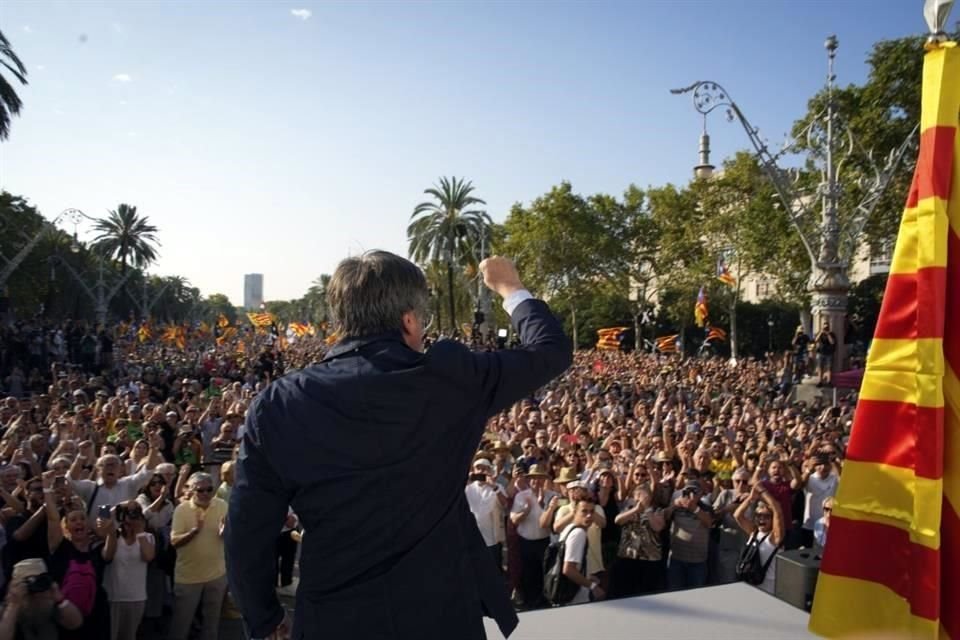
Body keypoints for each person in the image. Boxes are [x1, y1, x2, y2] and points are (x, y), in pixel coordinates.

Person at [225, 253, 572, 640]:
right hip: (442, 617)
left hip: (334, 620)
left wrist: (265, 619)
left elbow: (246, 532)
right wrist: (510, 286)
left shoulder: (279, 404)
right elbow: (550, 350)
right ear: (408, 319)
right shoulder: (452, 380)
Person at [168, 472, 228, 640]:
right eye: (200, 490)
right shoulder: (181, 510)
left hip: (217, 575)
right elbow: (174, 542)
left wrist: (226, 533)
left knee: (212, 624)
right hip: (188, 577)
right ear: (191, 490)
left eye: (209, 489)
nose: (205, 494)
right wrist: (194, 531)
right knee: (181, 624)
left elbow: (231, 535)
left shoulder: (222, 505)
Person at [102, 500, 154, 640]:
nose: (131, 518)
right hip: (113, 597)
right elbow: (107, 556)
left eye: (136, 514)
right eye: (128, 514)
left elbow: (148, 556)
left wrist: (140, 532)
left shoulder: (147, 537)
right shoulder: (113, 536)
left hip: (136, 597)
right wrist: (122, 505)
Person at [0, 558, 84, 639]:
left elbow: (75, 624)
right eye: (28, 581)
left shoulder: (49, 603)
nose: (35, 585)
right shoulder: (7, 608)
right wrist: (13, 605)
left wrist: (59, 599)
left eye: (39, 580)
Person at [734, 483, 785, 594]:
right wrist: (750, 498)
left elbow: (778, 510)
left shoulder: (775, 537)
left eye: (766, 516)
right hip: (749, 580)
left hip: (768, 584)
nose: (761, 519)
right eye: (758, 515)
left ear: (773, 519)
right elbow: (737, 515)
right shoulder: (754, 531)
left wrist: (763, 491)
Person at [559, 498, 604, 605]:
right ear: (575, 512)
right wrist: (593, 587)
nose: (589, 515)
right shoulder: (578, 534)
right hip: (574, 597)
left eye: (592, 512)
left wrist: (588, 576)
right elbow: (568, 570)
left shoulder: (569, 528)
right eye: (584, 511)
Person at [814, 322, 836, 387]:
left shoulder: (831, 334)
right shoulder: (820, 334)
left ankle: (829, 381)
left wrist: (828, 334)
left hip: (829, 353)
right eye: (824, 327)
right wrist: (821, 332)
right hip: (821, 352)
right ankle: (820, 381)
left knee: (829, 368)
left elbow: (832, 342)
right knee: (820, 368)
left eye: (826, 327)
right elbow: (816, 340)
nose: (825, 329)